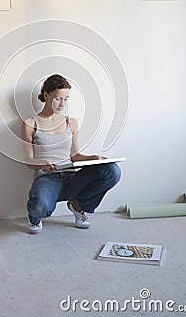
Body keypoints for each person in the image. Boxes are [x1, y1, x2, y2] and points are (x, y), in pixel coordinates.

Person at [21, 74, 121, 234]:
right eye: (58, 98)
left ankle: (78, 206)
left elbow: (75, 156)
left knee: (112, 171)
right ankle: (35, 217)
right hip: (47, 178)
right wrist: (42, 164)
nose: (62, 104)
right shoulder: (30, 123)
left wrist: (94, 158)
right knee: (40, 207)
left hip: (71, 177)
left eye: (66, 99)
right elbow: (28, 161)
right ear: (46, 95)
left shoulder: (71, 122)